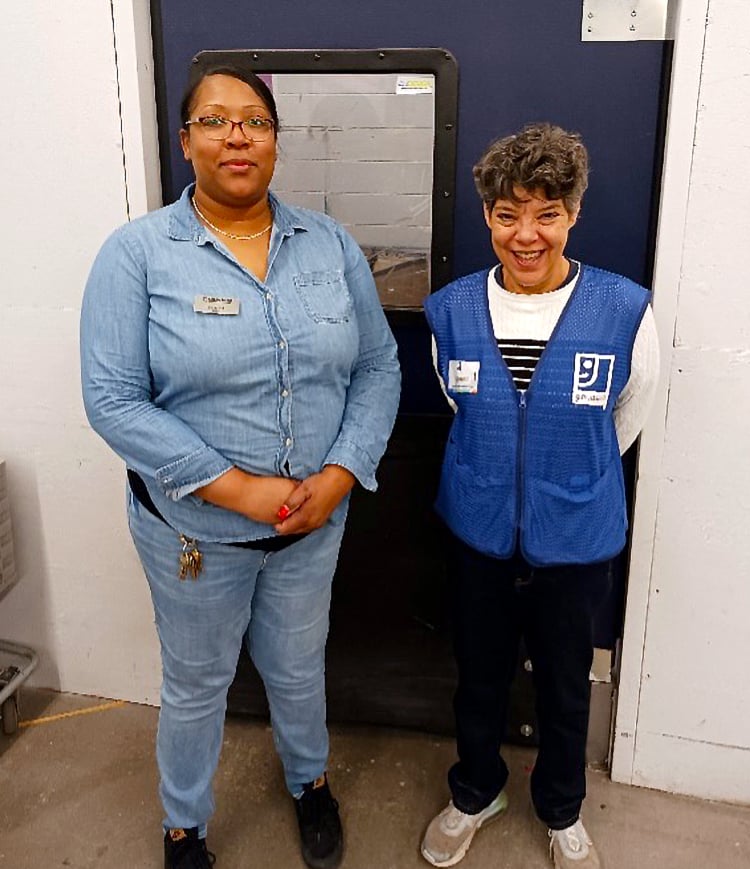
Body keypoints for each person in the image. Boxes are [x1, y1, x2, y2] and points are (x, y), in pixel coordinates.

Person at [80, 64, 400, 869]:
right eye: (216, 121)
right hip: (194, 536)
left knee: (298, 665)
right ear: (185, 140)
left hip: (311, 527)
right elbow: (113, 401)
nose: (237, 136)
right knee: (196, 684)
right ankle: (184, 823)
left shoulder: (326, 244)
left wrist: (340, 473)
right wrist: (240, 491)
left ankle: (309, 781)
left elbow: (379, 367)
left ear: (275, 143)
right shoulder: (138, 255)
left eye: (255, 121)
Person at [420, 123, 659, 869]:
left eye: (546, 213)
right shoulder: (452, 310)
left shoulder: (623, 311)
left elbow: (629, 413)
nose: (526, 235)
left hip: (576, 540)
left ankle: (561, 810)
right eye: (507, 213)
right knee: (479, 676)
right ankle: (474, 791)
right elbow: (462, 407)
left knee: (565, 686)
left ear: (574, 213)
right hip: (479, 534)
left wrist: (561, 473)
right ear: (487, 213)